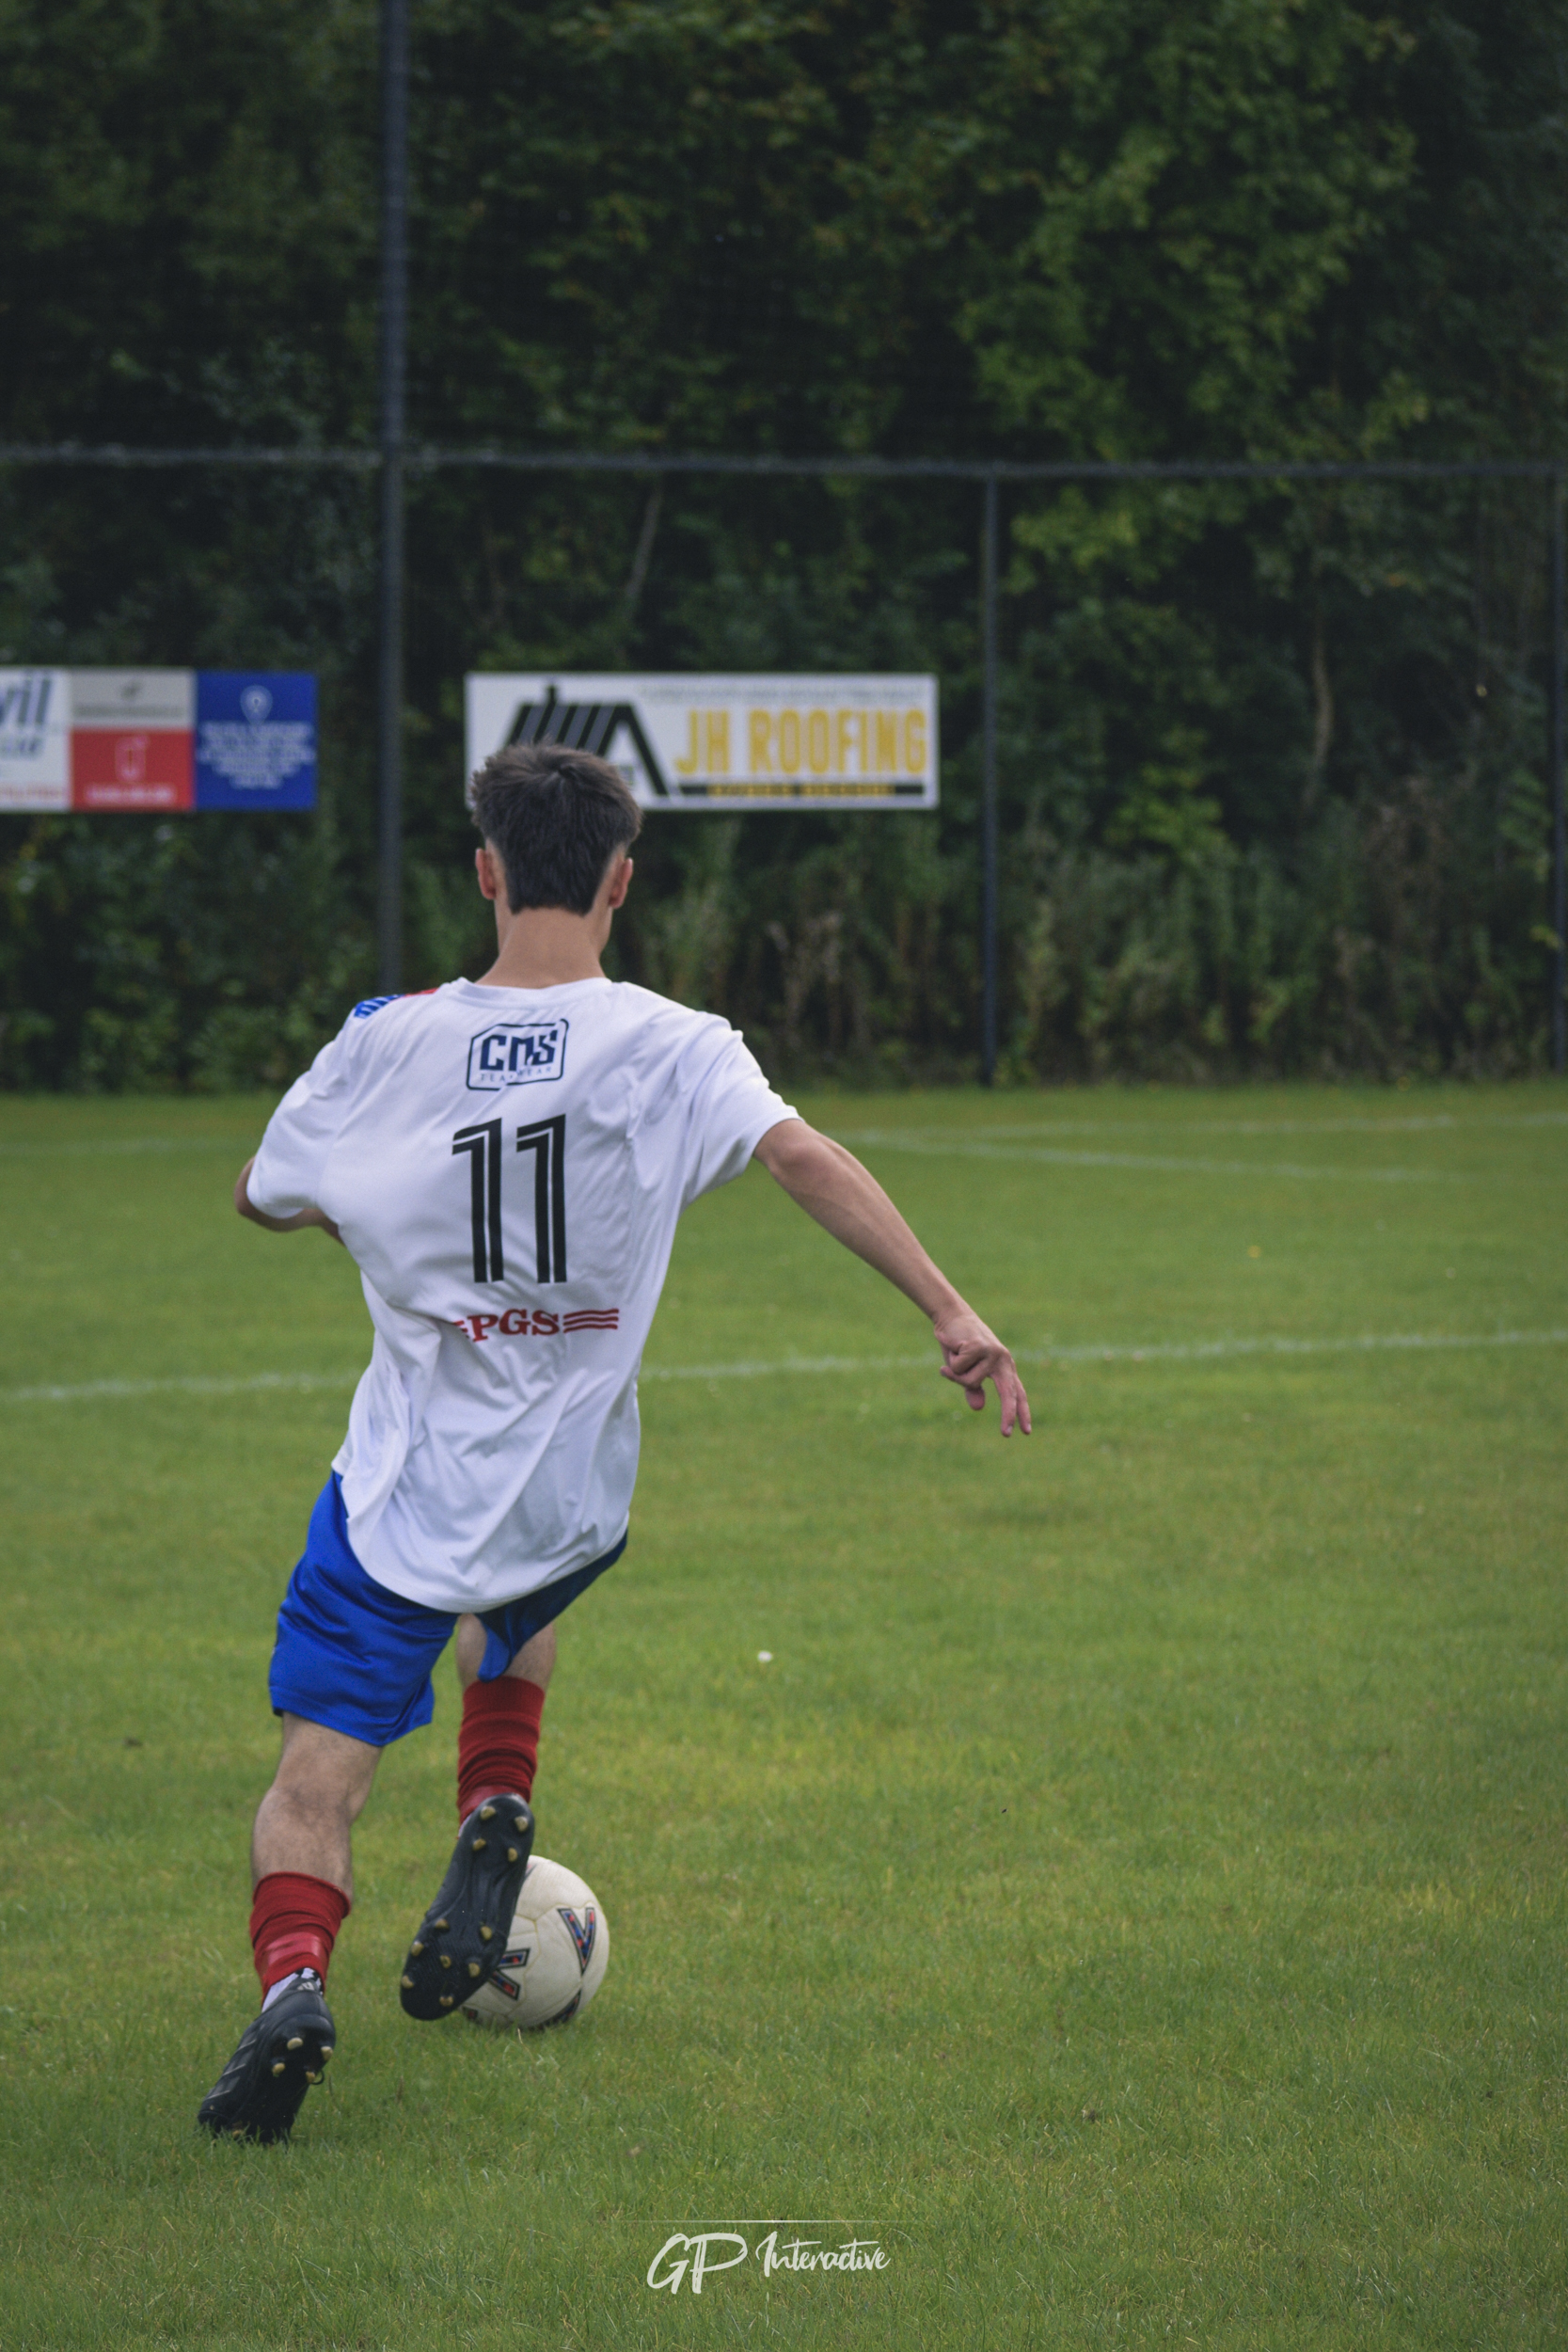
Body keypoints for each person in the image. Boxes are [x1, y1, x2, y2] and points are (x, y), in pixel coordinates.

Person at [198, 742, 1031, 2143]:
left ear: (487, 870)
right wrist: (949, 1309)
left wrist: (380, 1217)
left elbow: (258, 1195)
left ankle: (292, 1987)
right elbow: (800, 1155)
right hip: (571, 1491)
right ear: (623, 881)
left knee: (312, 1784)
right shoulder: (676, 1043)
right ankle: (499, 1793)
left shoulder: (386, 1038)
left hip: (401, 1499)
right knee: (525, 1592)